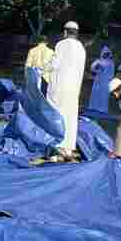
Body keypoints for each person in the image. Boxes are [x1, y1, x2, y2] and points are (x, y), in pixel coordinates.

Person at [47, 21, 86, 159]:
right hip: (74, 89)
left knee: (56, 115)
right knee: (70, 117)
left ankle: (56, 147)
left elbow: (55, 64)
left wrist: (45, 66)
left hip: (59, 88)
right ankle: (68, 149)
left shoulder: (62, 44)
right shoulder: (81, 48)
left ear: (65, 32)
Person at [88, 45, 115, 114]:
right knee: (95, 93)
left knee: (103, 95)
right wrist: (96, 67)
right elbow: (93, 69)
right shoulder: (98, 61)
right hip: (98, 79)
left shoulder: (111, 62)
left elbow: (111, 72)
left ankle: (102, 109)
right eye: (104, 53)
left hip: (106, 81)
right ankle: (93, 107)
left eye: (107, 54)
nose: (105, 55)